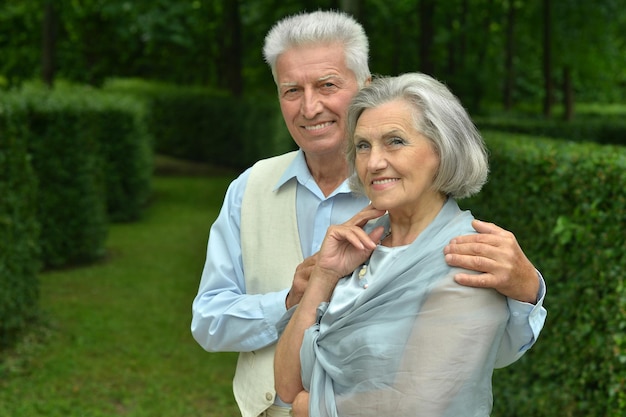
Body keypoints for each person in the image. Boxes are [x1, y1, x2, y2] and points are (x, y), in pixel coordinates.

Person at [191, 10, 546, 417]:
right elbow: (209, 319)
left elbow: (475, 356)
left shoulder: (422, 217)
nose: (310, 107)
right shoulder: (249, 188)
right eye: (292, 90)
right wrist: (294, 298)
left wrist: (528, 291)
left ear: (365, 86)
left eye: (327, 85)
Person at [275, 72, 520, 417]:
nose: (373, 162)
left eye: (395, 141)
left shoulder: (469, 258)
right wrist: (325, 276)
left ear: (442, 149)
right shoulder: (359, 245)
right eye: (363, 146)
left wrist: (306, 408)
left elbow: (413, 406)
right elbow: (285, 386)